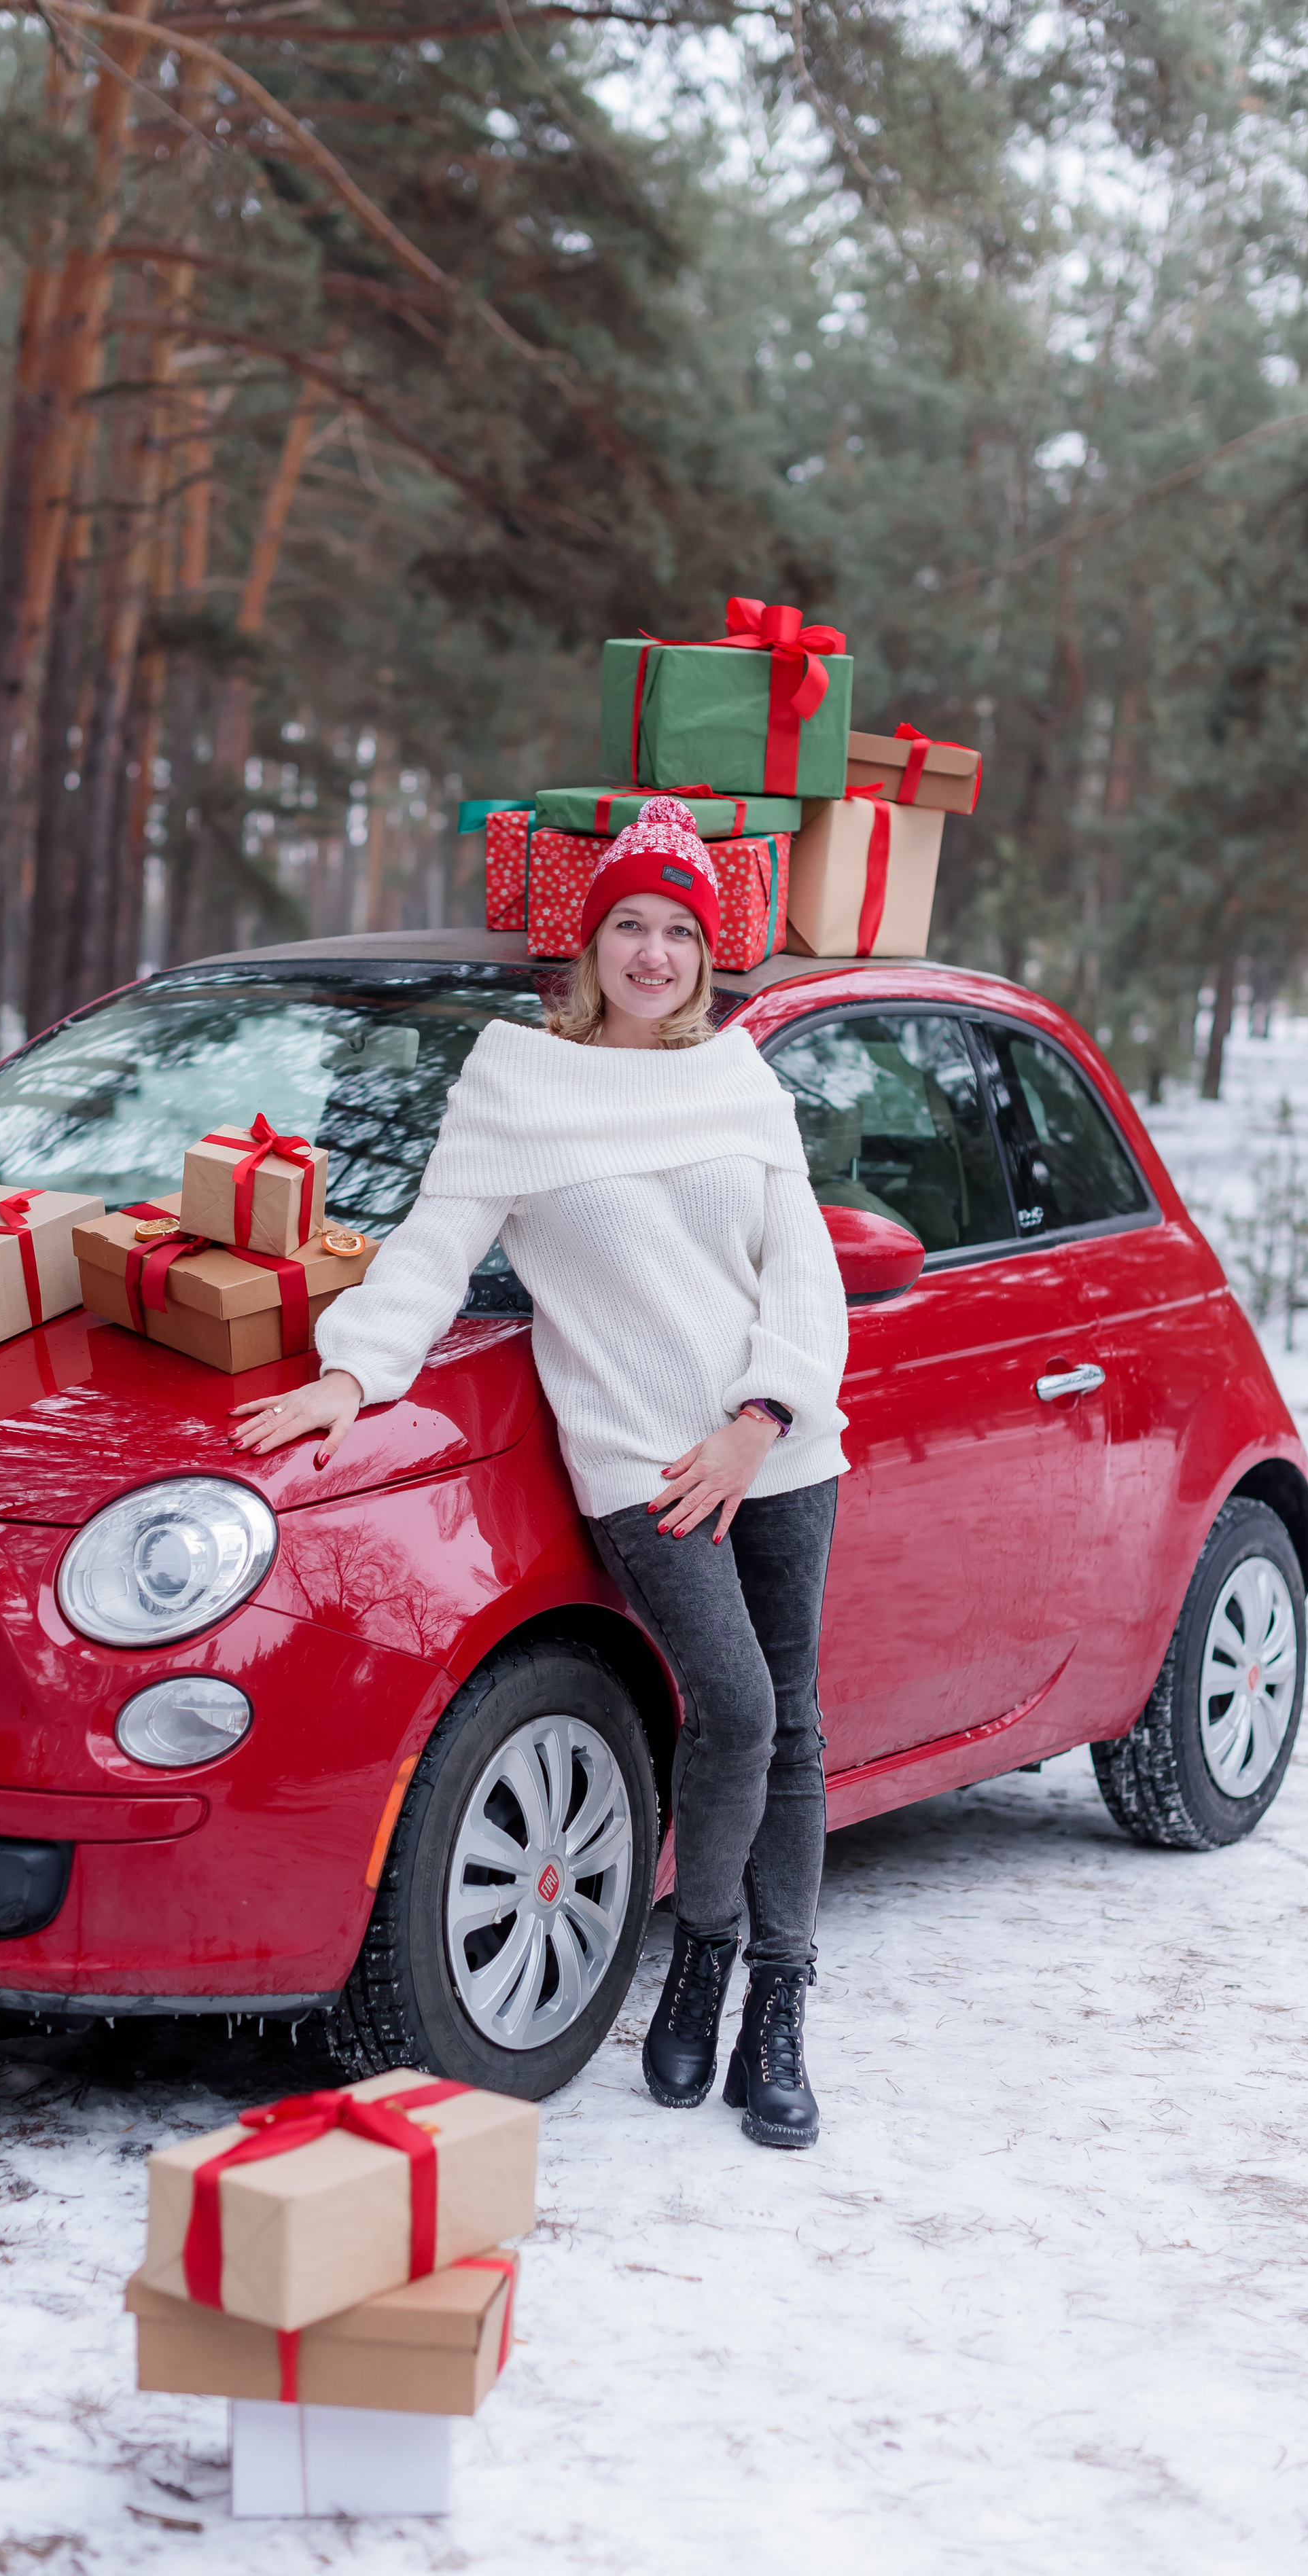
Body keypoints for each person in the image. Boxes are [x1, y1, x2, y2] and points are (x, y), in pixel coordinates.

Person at [230, 795, 849, 2149]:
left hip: (777, 1445)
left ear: (702, 953)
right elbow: (430, 1247)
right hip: (642, 1463)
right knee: (734, 1712)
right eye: (627, 924)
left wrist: (761, 1416)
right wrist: (350, 1372)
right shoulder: (517, 1082)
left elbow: (800, 1272)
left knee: (792, 1727)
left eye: (676, 931)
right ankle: (695, 1956)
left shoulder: (740, 1079)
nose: (652, 953)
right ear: (587, 947)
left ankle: (774, 2011)